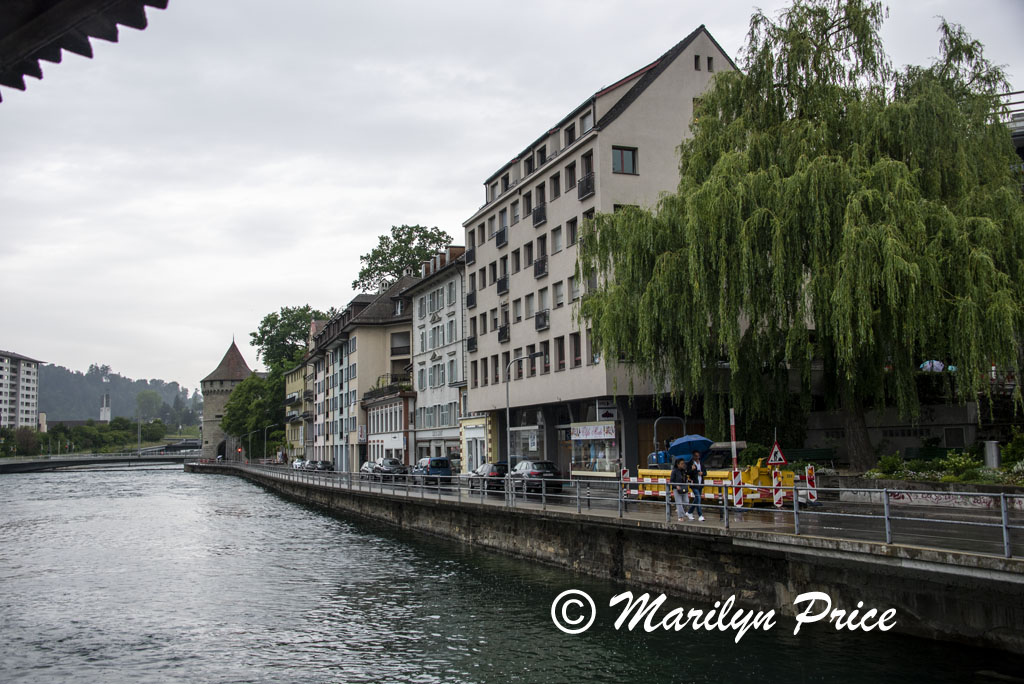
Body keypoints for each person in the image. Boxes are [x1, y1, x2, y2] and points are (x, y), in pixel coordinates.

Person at [687, 450, 706, 521]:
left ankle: (689, 512)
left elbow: (705, 472)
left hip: (700, 483)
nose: (697, 457)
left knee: (697, 499)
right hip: (694, 484)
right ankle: (700, 515)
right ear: (693, 456)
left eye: (698, 456)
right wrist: (692, 470)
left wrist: (702, 473)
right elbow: (688, 473)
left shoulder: (701, 463)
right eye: (696, 456)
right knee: (698, 497)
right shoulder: (690, 463)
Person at [670, 457, 689, 522]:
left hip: (684, 487)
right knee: (679, 503)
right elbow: (671, 481)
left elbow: (685, 478)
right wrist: (676, 485)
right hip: (677, 489)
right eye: (681, 463)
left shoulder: (684, 471)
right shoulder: (674, 471)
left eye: (683, 463)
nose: (683, 465)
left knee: (686, 501)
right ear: (678, 464)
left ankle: (681, 512)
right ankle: (680, 516)